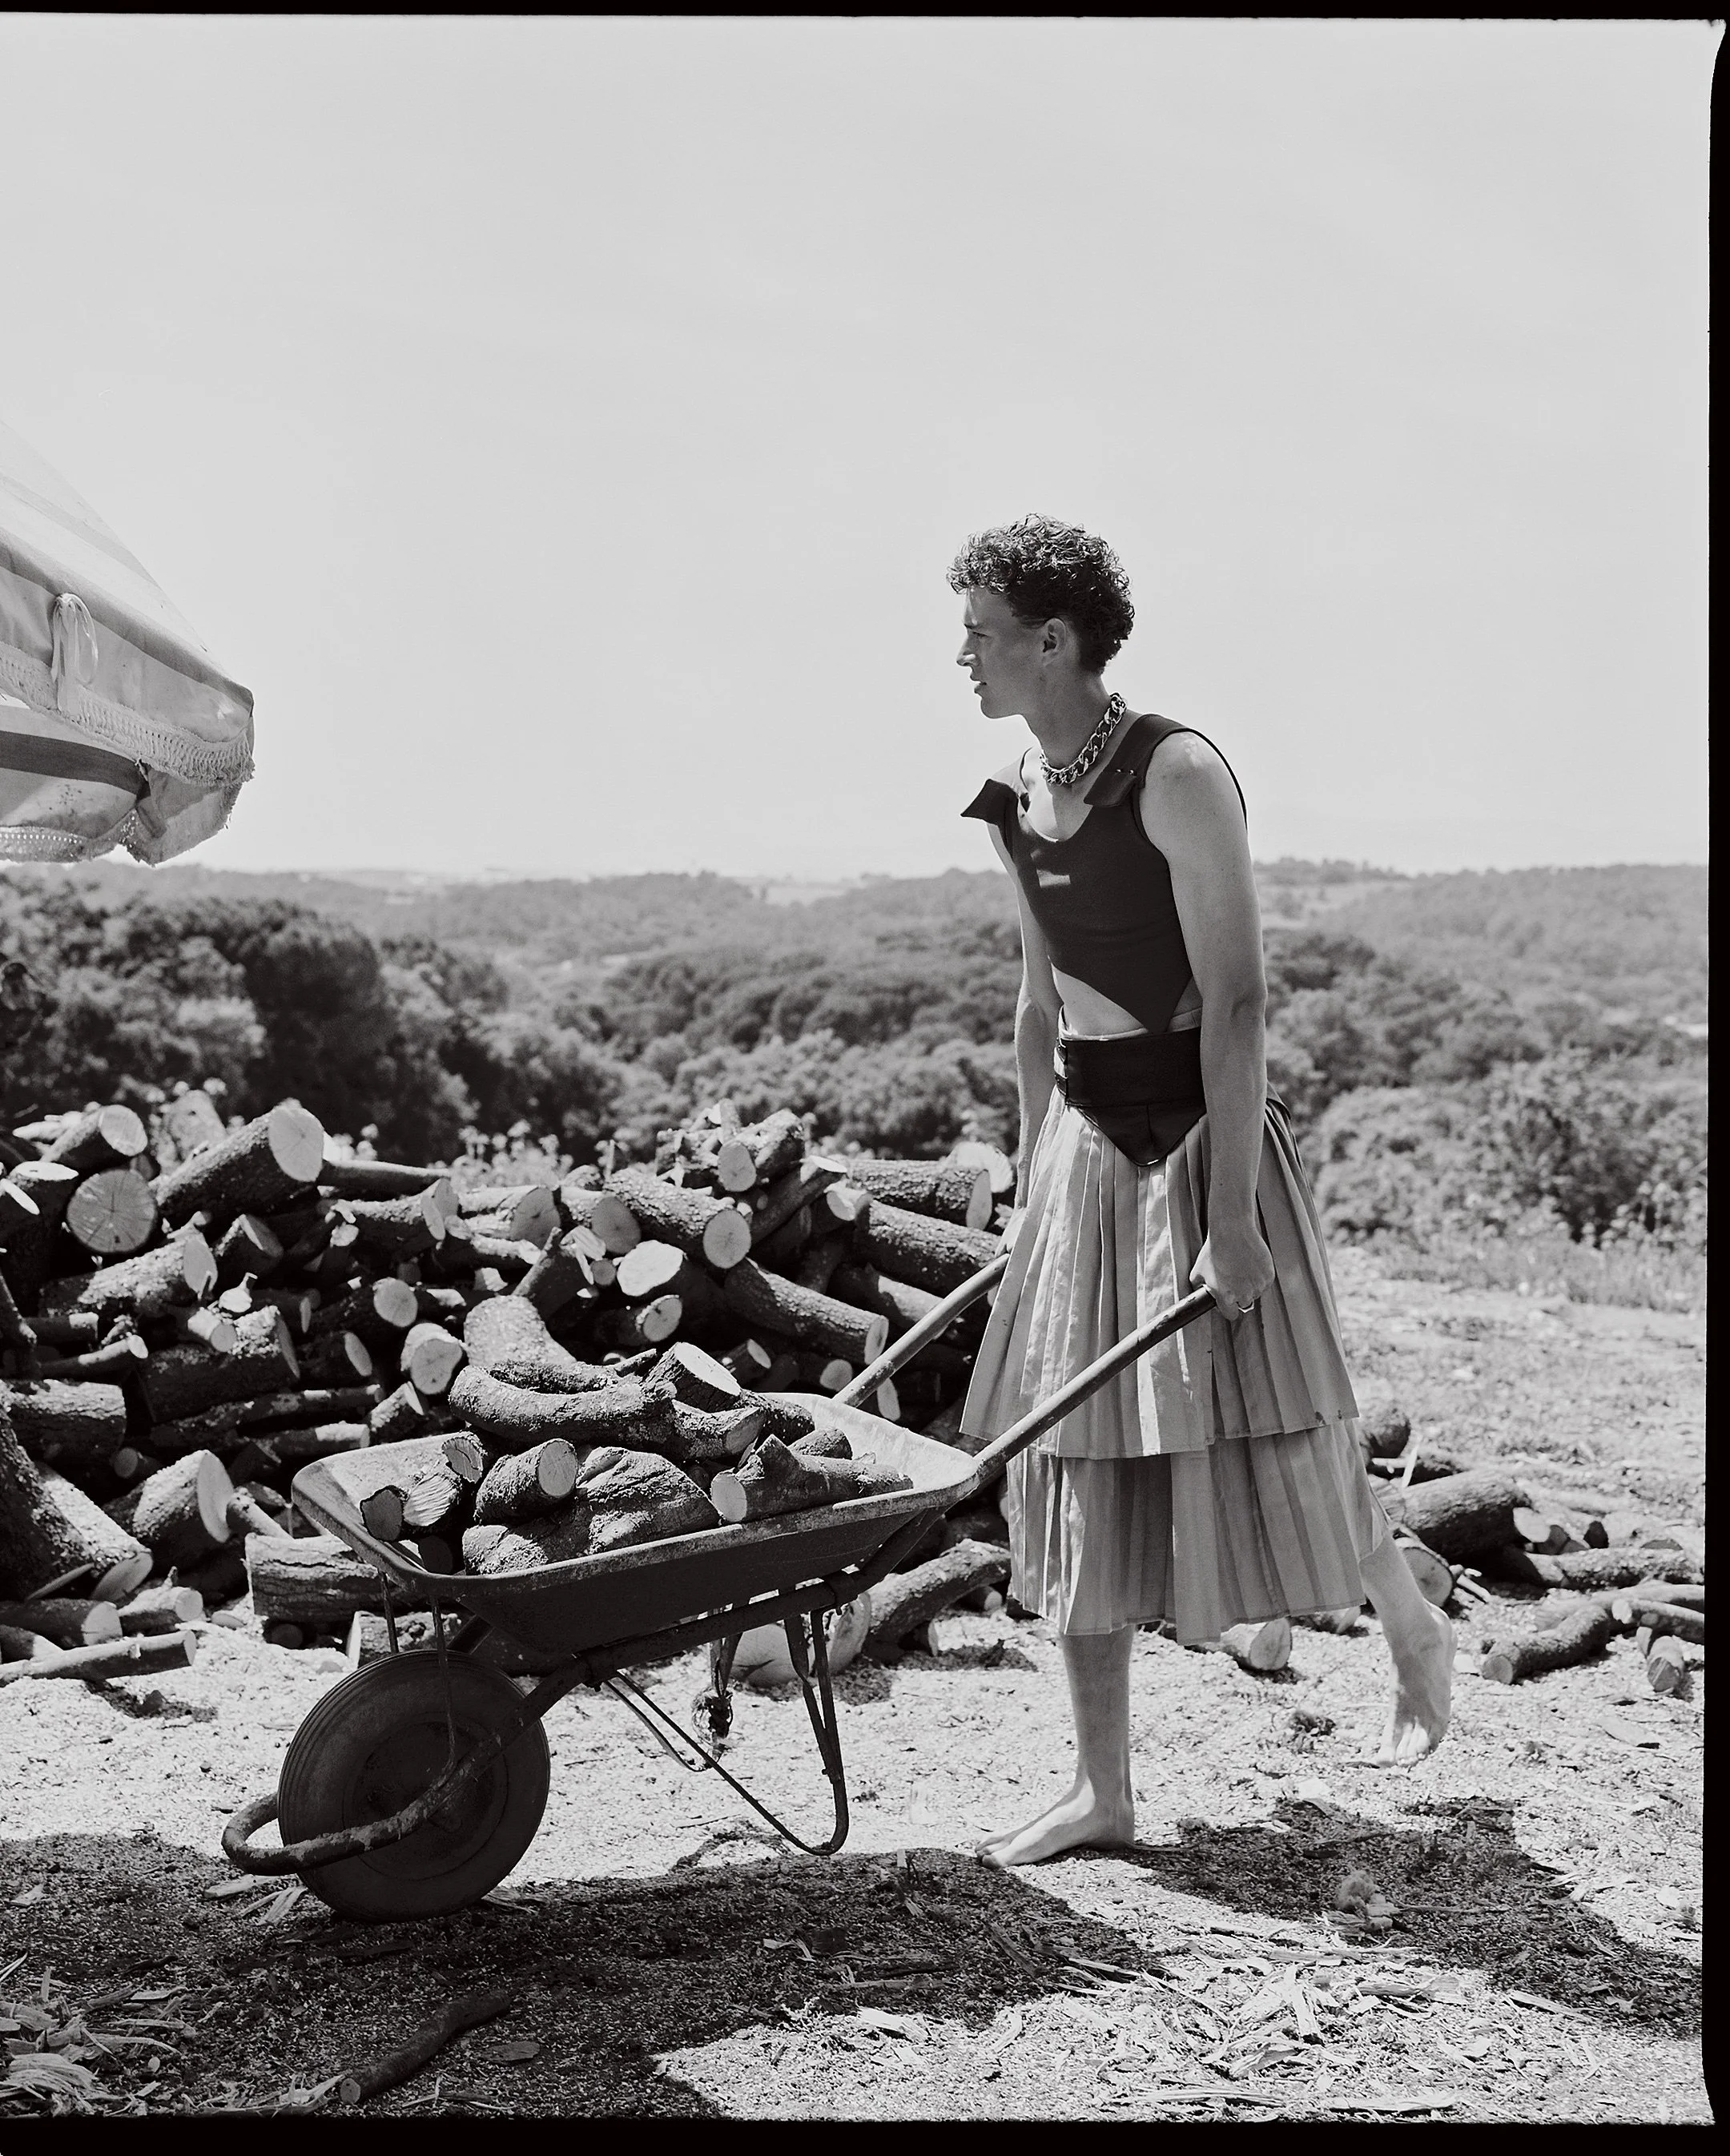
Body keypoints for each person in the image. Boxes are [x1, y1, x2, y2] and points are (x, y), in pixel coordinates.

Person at [950, 513, 1452, 1870]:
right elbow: (1035, 1006)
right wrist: (1034, 1185)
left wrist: (1231, 1216)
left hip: (1203, 1148)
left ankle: (1408, 1619)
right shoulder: (1016, 796)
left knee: (1278, 1419)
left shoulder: (1176, 773)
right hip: (1087, 1157)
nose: (963, 656)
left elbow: (1235, 1002)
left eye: (982, 633)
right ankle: (1102, 1791)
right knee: (1075, 1466)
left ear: (1054, 640)